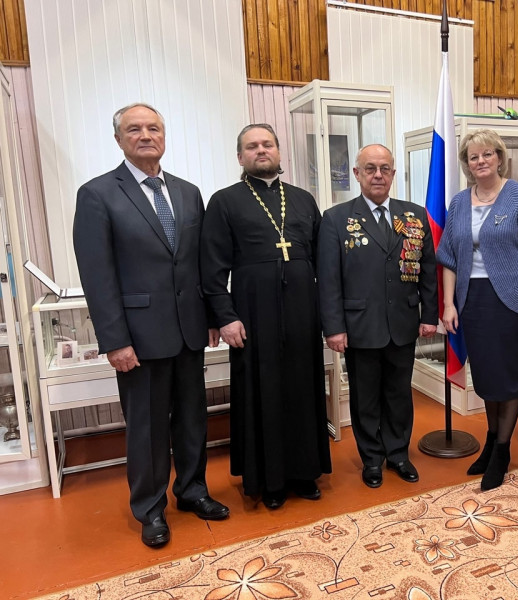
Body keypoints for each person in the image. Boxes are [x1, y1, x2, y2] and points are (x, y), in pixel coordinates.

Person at [73, 103, 229, 548]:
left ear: (164, 135)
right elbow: (97, 276)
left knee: (193, 420)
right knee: (147, 427)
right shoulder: (98, 194)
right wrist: (115, 340)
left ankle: (192, 491)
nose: (145, 135)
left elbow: (200, 263)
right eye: (134, 129)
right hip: (139, 339)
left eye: (153, 128)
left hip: (189, 331)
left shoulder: (187, 192)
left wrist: (211, 317)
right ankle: (150, 508)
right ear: (118, 139)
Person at [200, 124, 332, 509]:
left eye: (267, 144)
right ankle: (269, 481)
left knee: (303, 388)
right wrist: (225, 316)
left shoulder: (303, 199)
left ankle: (305, 473)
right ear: (240, 156)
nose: (261, 150)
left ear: (278, 151)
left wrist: (327, 315)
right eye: (252, 146)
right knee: (263, 392)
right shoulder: (224, 201)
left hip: (302, 311)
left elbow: (324, 263)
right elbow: (211, 269)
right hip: (252, 314)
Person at [436, 129, 518, 491]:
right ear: (467, 163)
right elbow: (448, 258)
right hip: (471, 301)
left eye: (487, 154)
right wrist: (448, 303)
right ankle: (492, 440)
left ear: (500, 157)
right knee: (487, 377)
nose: (481, 161)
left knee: (508, 378)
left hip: (511, 301)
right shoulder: (459, 202)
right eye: (473, 157)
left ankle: (502, 450)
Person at [317, 144, 438, 488]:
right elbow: (328, 279)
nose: (378, 175)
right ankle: (371, 458)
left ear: (393, 174)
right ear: (357, 174)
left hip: (403, 323)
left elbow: (428, 270)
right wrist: (334, 327)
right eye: (370, 169)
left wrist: (429, 315)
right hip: (359, 326)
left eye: (385, 168)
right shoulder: (336, 219)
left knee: (399, 394)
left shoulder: (414, 216)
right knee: (365, 397)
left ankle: (398, 454)